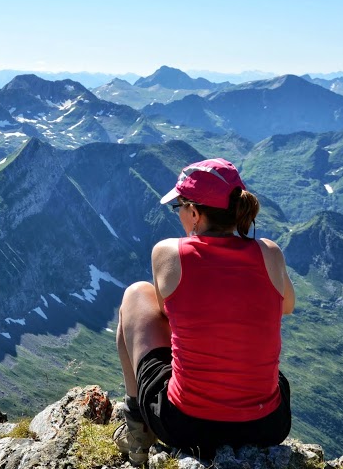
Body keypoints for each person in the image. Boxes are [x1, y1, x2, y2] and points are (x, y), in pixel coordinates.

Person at [113, 157, 295, 463]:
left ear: (195, 213)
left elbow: (165, 316)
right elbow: (286, 306)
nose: (180, 215)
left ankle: (137, 428)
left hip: (186, 426)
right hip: (268, 426)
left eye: (179, 207)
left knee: (135, 295)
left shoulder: (169, 253)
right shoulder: (269, 253)